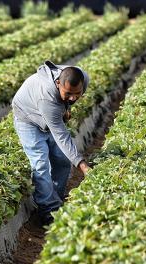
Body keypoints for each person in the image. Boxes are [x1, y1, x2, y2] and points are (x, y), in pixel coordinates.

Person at [12, 60, 91, 225]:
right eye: (68, 93)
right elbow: (62, 136)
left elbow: (69, 99)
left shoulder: (83, 78)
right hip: (27, 118)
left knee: (62, 160)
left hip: (48, 112)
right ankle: (48, 213)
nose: (73, 97)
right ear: (57, 84)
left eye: (77, 93)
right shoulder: (47, 98)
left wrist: (67, 106)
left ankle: (56, 199)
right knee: (41, 164)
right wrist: (83, 165)